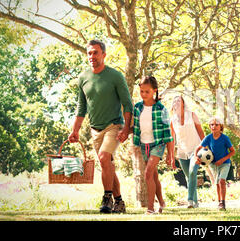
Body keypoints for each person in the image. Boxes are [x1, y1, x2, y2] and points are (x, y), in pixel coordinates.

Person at [68, 39, 133, 214]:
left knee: (105, 158)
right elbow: (81, 108)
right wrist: (75, 131)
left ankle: (107, 198)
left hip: (114, 125)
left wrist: (126, 128)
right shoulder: (83, 78)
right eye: (89, 53)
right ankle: (119, 202)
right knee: (107, 165)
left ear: (103, 54)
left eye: (95, 52)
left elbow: (127, 104)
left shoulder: (115, 76)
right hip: (95, 129)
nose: (92, 56)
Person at [132, 76, 175, 214]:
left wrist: (170, 154)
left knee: (148, 173)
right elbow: (135, 128)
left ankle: (150, 209)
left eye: (147, 92)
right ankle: (162, 202)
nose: (144, 94)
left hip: (158, 144)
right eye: (141, 91)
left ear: (154, 91)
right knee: (153, 176)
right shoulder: (137, 107)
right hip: (144, 145)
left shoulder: (161, 109)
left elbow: (168, 134)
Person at [170, 96, 205, 208]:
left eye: (179, 100)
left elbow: (201, 132)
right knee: (188, 177)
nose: (176, 102)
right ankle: (196, 203)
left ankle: (190, 201)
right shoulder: (172, 120)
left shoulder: (192, 115)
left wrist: (206, 148)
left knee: (192, 172)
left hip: (196, 150)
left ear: (183, 103)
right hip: (182, 152)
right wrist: (171, 155)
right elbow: (172, 139)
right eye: (174, 100)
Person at [195, 117, 235, 211]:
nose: (214, 126)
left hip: (225, 163)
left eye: (216, 124)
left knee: (222, 181)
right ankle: (219, 202)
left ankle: (223, 203)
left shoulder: (225, 138)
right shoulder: (208, 138)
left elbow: (232, 152)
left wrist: (222, 160)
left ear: (220, 126)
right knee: (217, 183)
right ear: (210, 126)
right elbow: (198, 148)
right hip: (213, 164)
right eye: (212, 125)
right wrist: (196, 157)